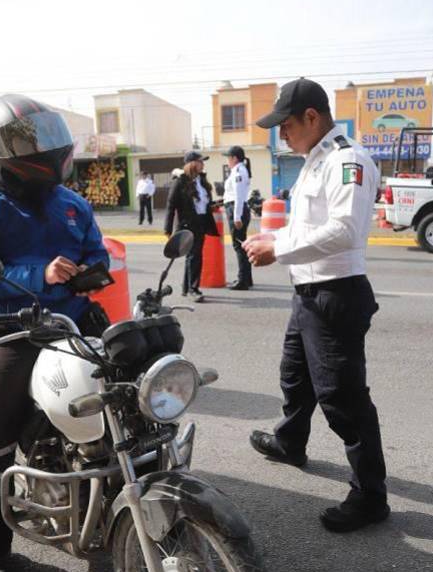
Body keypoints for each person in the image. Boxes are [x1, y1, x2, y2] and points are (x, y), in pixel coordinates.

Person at [0, 94, 110, 572]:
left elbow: (96, 252)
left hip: (73, 322)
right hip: (10, 330)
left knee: (134, 398)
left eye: (42, 137)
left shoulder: (72, 204)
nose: (42, 150)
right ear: (2, 151)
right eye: (26, 141)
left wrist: (92, 273)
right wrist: (36, 274)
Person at [242, 78, 388, 533]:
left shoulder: (347, 160)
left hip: (336, 295)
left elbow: (345, 231)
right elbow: (309, 227)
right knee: (295, 378)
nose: (280, 135)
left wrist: (278, 250)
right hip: (307, 294)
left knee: (343, 399)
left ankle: (370, 496)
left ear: (311, 117)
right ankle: (291, 442)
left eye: (285, 125)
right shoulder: (313, 161)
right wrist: (274, 239)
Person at [164, 150, 216, 302]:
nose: (203, 164)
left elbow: (204, 202)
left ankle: (187, 288)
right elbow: (170, 205)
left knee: (193, 256)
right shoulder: (180, 181)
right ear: (192, 164)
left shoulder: (201, 180)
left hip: (201, 222)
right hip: (187, 224)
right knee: (194, 256)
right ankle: (193, 289)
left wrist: (213, 205)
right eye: (200, 161)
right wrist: (168, 229)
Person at [223, 145, 253, 290]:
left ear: (234, 158)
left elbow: (239, 196)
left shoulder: (239, 171)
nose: (227, 160)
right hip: (236, 208)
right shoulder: (238, 170)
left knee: (239, 246)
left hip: (236, 209)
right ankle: (247, 278)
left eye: (228, 157)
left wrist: (236, 216)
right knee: (242, 245)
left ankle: (243, 281)